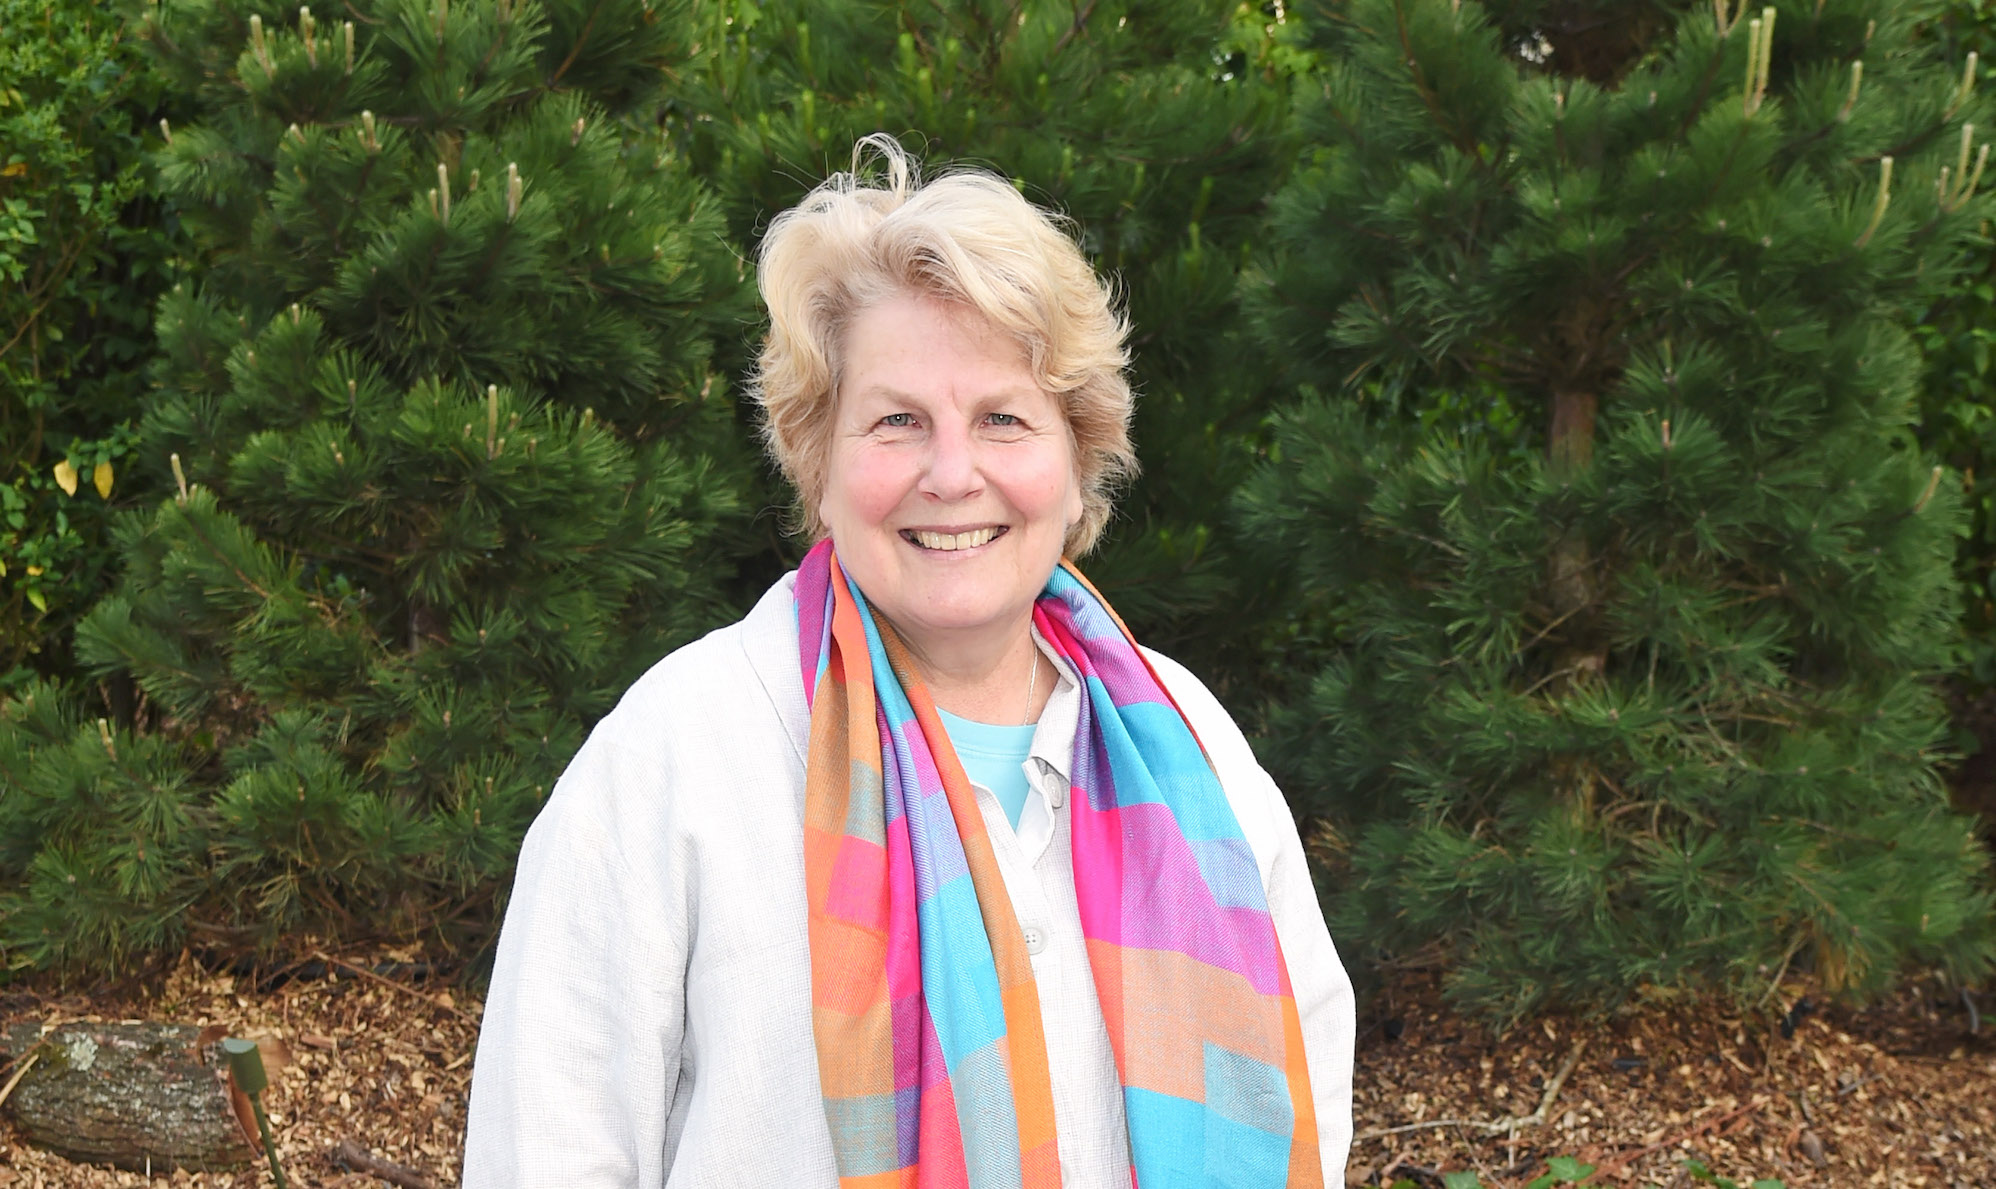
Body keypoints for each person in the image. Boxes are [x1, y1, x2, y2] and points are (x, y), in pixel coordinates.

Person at [463, 137, 1355, 1187]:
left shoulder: (1192, 742)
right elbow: (550, 1146)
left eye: (1002, 420)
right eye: (895, 422)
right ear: (816, 461)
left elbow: (1307, 1091)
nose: (950, 473)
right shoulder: (680, 752)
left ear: (1076, 463)